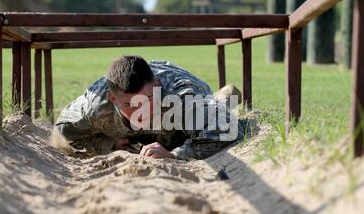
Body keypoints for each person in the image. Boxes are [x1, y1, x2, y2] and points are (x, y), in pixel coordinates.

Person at [52, 55, 244, 160]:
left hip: (178, 120)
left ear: (157, 87)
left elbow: (229, 130)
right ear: (112, 98)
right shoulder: (95, 107)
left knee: (203, 119)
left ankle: (222, 98)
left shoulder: (183, 97)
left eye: (147, 100)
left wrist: (175, 154)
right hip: (131, 130)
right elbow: (64, 130)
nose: (140, 112)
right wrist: (109, 144)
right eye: (129, 105)